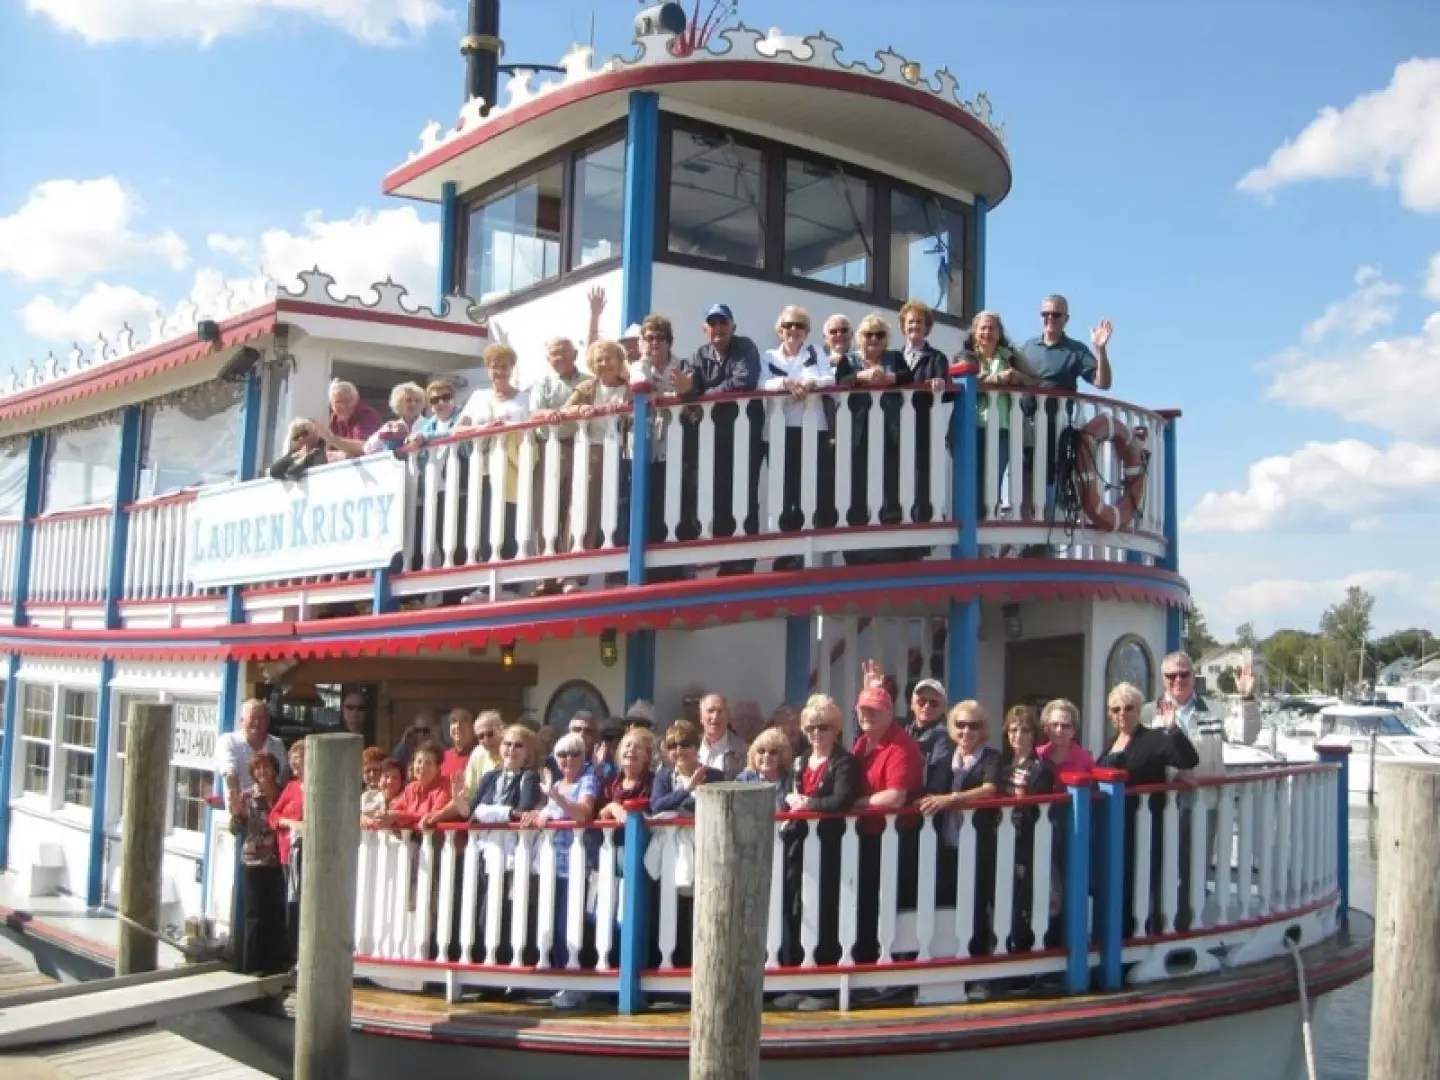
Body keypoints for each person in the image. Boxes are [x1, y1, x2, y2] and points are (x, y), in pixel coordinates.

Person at [1017, 295, 1113, 534]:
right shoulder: (1027, 347)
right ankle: (1025, 528)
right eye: (1045, 314)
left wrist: (1100, 351)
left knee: (1050, 476)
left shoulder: (1075, 350)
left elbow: (1102, 383)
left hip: (1055, 425)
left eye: (1056, 315)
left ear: (1066, 319)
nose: (1049, 319)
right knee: (1023, 472)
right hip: (1025, 421)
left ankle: (1046, 531)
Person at [680, 303, 762, 573]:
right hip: (714, 438)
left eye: (723, 323)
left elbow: (744, 380)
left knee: (746, 494)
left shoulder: (745, 346)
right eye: (713, 323)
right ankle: (727, 558)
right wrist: (693, 392)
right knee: (720, 496)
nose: (718, 328)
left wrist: (708, 394)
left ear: (733, 327)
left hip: (745, 434)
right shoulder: (698, 355)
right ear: (705, 329)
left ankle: (744, 560)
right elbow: (688, 388)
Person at [229, 750, 289, 974]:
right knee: (254, 915)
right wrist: (236, 815)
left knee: (275, 912)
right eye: (258, 768)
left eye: (266, 767)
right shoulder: (247, 797)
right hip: (254, 861)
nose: (262, 772)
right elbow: (235, 829)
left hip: (277, 860)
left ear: (274, 769)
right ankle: (252, 967)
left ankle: (274, 964)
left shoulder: (283, 794)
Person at [267, 739, 307, 960]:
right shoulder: (291, 788)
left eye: (299, 761)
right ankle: (294, 954)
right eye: (292, 762)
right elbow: (274, 816)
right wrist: (290, 823)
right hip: (288, 853)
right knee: (292, 903)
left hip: (310, 855)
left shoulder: (317, 788)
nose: (295, 767)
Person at [214, 698, 288, 804]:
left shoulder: (278, 745)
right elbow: (230, 774)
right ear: (242, 720)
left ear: (268, 721)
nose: (257, 723)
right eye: (252, 718)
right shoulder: (228, 741)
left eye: (262, 718)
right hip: (241, 813)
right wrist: (238, 802)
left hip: (273, 812)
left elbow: (284, 777)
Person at [319, 379, 383, 459]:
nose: (344, 406)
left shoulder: (366, 415)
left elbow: (365, 448)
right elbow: (327, 452)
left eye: (348, 400)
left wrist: (331, 438)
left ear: (356, 399)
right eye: (338, 402)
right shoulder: (335, 418)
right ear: (331, 405)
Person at [696, 693, 747, 779]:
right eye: (710, 711)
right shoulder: (690, 746)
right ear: (701, 717)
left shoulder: (743, 751)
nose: (715, 716)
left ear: (728, 717)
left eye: (720, 711)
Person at [364, 382, 425, 454]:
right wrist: (386, 434)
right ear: (398, 403)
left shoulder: (428, 424)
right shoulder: (390, 426)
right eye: (409, 400)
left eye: (417, 401)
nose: (413, 404)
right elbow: (367, 449)